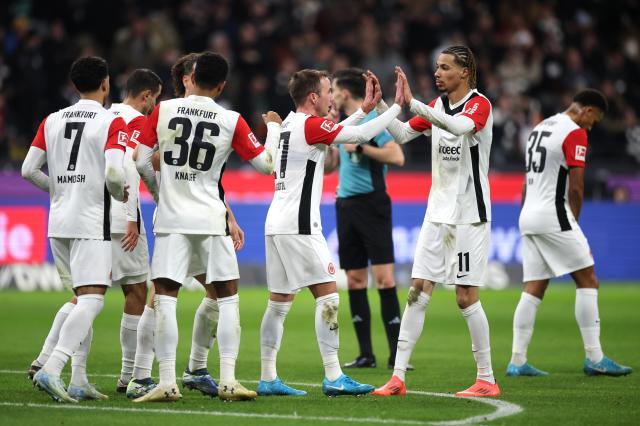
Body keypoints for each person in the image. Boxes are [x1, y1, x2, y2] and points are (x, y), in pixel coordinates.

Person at [134, 51, 280, 402]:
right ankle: (228, 379)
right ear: (222, 85)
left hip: (171, 221)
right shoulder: (231, 119)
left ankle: (166, 381)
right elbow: (266, 165)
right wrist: (273, 128)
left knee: (165, 299)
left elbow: (139, 158)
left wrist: (161, 191)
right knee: (228, 299)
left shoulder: (164, 110)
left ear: (193, 74)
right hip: (212, 220)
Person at [256, 68, 405, 397]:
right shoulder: (309, 125)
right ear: (313, 97)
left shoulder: (289, 125)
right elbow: (356, 137)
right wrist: (396, 108)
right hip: (299, 225)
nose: (330, 97)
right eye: (326, 92)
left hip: (276, 222)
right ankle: (334, 376)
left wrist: (365, 110)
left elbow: (337, 130)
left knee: (279, 302)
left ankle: (268, 377)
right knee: (329, 297)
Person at [373, 45, 500, 398]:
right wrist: (381, 107)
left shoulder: (479, 105)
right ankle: (397, 377)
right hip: (436, 213)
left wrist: (416, 105)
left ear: (465, 72)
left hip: (469, 216)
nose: (437, 73)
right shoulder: (437, 108)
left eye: (445, 67)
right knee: (417, 290)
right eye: (436, 67)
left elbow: (460, 127)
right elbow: (400, 134)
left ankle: (486, 379)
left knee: (464, 296)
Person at [22, 56, 128, 402]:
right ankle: (52, 368)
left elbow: (28, 170)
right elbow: (114, 173)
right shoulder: (110, 120)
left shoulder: (52, 119)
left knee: (81, 299)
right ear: (106, 84)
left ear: (73, 85)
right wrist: (119, 191)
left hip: (59, 221)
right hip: (91, 220)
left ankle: (79, 379)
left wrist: (61, 189)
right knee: (93, 300)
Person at [507, 89, 633, 377]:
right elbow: (576, 187)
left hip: (528, 214)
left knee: (535, 287)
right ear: (587, 111)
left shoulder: (541, 127)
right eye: (594, 120)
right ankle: (595, 357)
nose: (591, 126)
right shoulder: (575, 132)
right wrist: (573, 222)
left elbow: (527, 183)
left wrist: (528, 214)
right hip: (555, 214)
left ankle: (517, 360)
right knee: (588, 278)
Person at [324, 67, 406, 370]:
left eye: (333, 89)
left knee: (384, 279)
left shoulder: (373, 122)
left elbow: (397, 156)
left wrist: (361, 146)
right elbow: (331, 167)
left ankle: (397, 355)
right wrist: (330, 144)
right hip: (345, 205)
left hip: (373, 204)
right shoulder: (343, 123)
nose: (331, 95)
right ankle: (365, 355)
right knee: (356, 279)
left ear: (345, 92)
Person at [108, 68, 162, 393]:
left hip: (92, 216)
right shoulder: (139, 122)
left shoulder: (105, 115)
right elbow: (132, 165)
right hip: (123, 214)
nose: (154, 106)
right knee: (138, 291)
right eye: (154, 99)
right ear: (146, 95)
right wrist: (134, 214)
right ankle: (130, 375)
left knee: (87, 293)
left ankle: (52, 363)